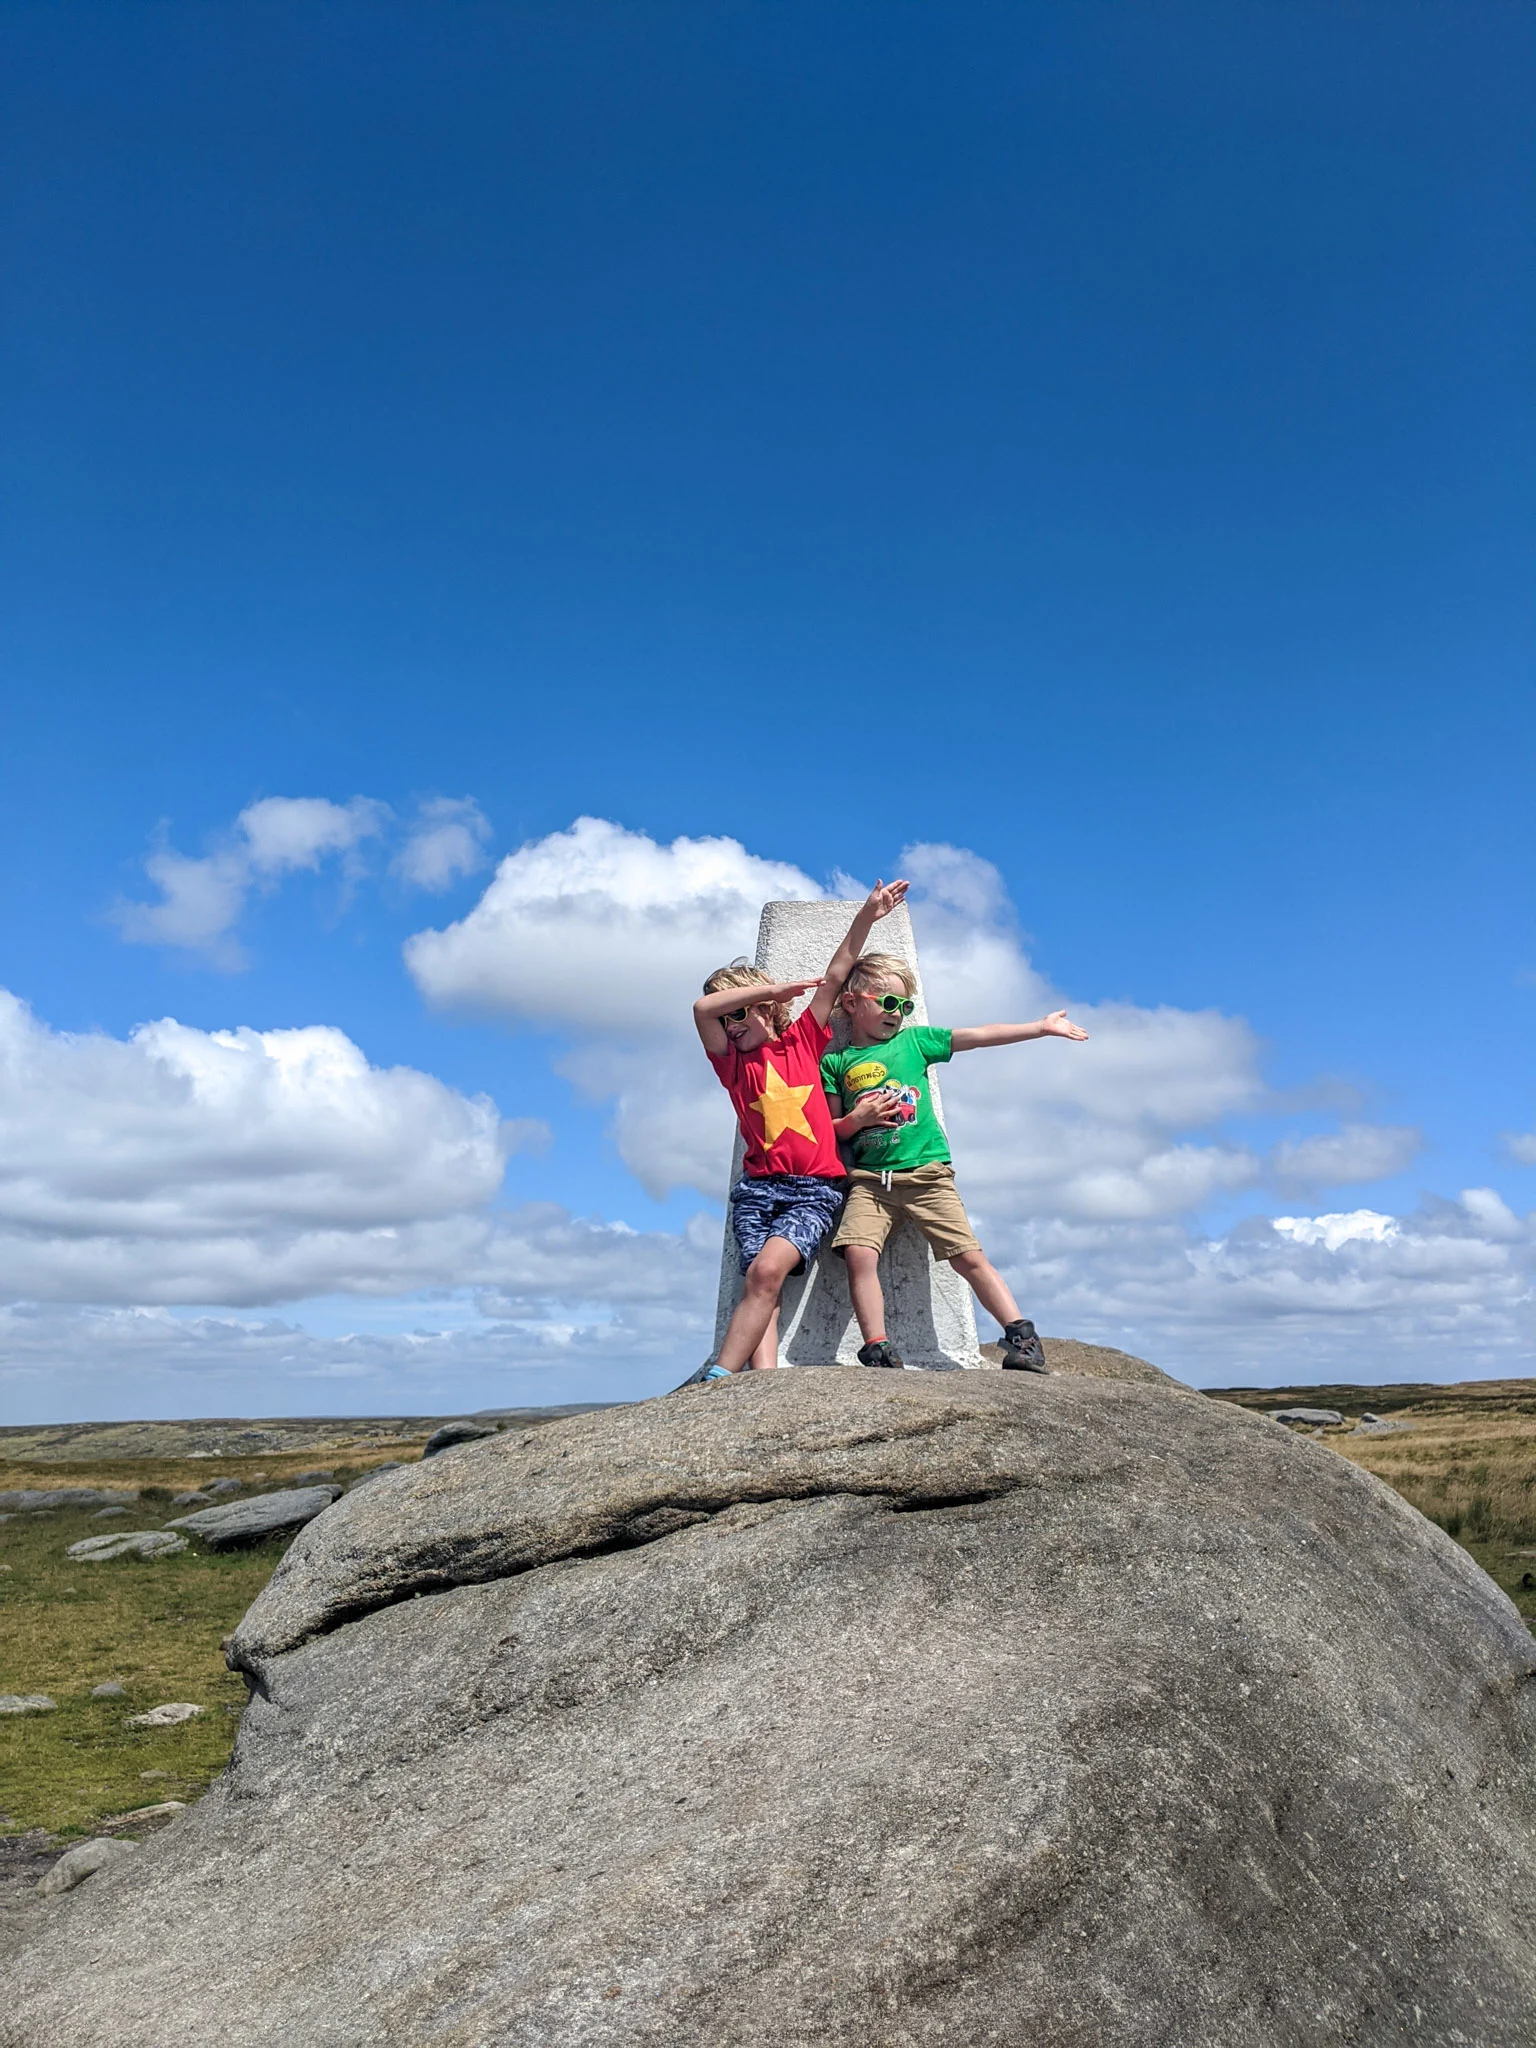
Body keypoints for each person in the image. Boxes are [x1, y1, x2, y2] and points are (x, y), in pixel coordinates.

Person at [686, 880, 910, 1384]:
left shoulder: (803, 1042)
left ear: (766, 1010)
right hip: (758, 1191)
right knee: (759, 1283)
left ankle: (720, 1375)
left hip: (813, 1190)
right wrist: (766, 990)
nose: (729, 1023)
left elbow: (836, 972)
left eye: (737, 1011)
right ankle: (763, 1382)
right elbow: (701, 1011)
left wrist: (869, 915)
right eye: (727, 1016)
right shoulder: (732, 1066)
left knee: (767, 1273)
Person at [820, 953, 1088, 1372]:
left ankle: (1022, 1337)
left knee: (967, 1255)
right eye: (888, 1003)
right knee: (858, 1253)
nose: (898, 1013)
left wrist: (1039, 1027)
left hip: (928, 1173)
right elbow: (833, 1129)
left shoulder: (914, 1042)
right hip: (871, 1181)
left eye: (904, 1005)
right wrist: (858, 1120)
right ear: (852, 1003)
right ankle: (876, 1347)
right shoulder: (836, 1062)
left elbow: (979, 1035)